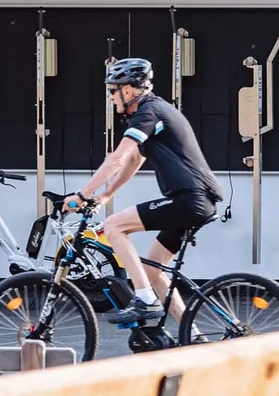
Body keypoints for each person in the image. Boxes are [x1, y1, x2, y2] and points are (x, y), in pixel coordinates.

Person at [65, 57, 223, 324]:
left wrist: (81, 195)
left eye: (112, 91)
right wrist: (105, 194)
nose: (112, 98)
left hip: (189, 200)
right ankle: (194, 338)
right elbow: (135, 159)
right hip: (195, 201)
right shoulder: (154, 111)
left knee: (113, 226)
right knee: (151, 271)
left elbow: (116, 159)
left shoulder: (149, 112)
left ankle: (145, 300)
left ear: (127, 90)